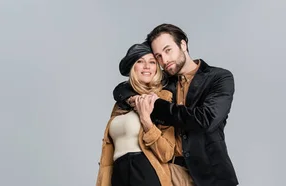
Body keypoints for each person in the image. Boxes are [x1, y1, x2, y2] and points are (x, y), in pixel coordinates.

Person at [112, 23, 240, 186]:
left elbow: (205, 120)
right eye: (158, 56)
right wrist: (133, 99)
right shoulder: (163, 81)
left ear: (183, 44)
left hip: (210, 175)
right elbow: (123, 89)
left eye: (168, 50)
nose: (164, 60)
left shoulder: (219, 77)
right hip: (168, 171)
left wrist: (154, 106)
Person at [96, 42, 181, 186]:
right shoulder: (122, 103)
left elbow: (166, 153)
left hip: (145, 171)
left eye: (152, 62)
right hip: (118, 173)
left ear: (157, 68)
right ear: (132, 67)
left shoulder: (163, 99)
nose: (147, 66)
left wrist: (146, 121)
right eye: (140, 61)